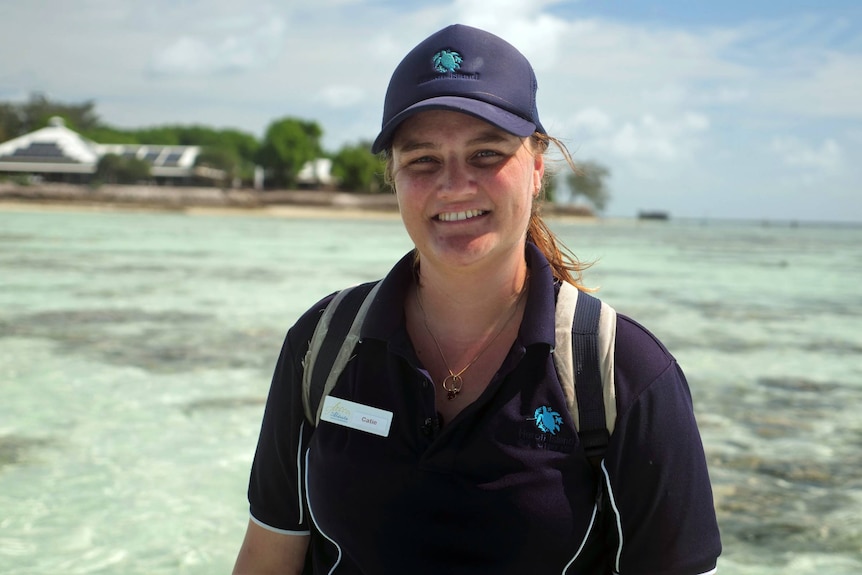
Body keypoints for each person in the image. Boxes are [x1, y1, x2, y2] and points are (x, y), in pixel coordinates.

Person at [233, 23, 721, 575]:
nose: (455, 185)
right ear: (392, 176)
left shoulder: (620, 371)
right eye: (423, 160)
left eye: (486, 154)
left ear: (537, 169)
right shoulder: (323, 344)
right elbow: (268, 555)